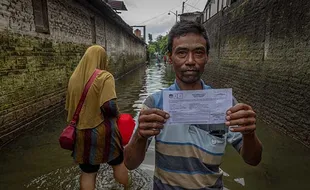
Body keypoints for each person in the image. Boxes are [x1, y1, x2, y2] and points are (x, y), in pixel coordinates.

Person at [124, 21, 263, 189]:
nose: (190, 61)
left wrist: (249, 134)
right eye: (181, 53)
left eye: (198, 52)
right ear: (169, 58)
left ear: (207, 57)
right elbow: (130, 164)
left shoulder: (224, 104)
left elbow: (253, 159)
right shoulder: (155, 103)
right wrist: (140, 135)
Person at [65, 45, 129, 190]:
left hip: (81, 132)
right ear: (102, 58)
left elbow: (69, 107)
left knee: (88, 172)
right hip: (102, 131)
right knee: (118, 163)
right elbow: (109, 106)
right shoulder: (104, 76)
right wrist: (119, 116)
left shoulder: (74, 78)